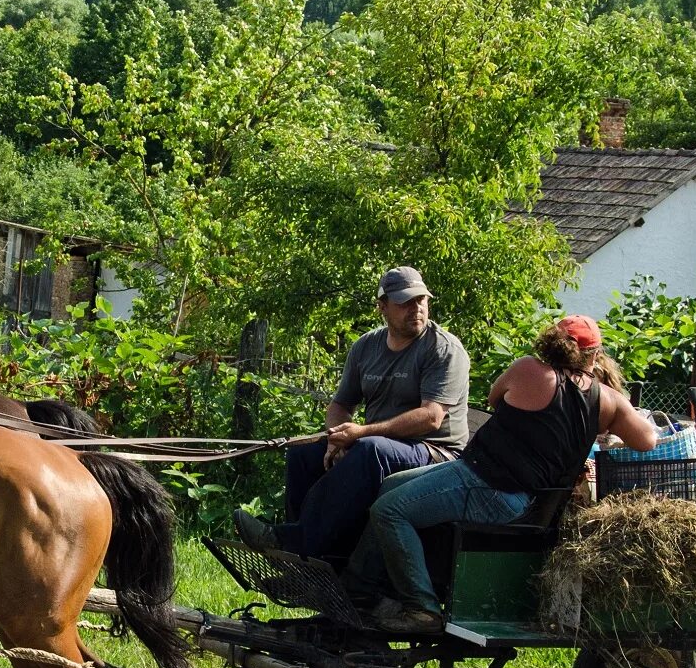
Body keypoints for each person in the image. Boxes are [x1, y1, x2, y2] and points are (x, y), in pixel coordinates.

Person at [348, 314, 659, 633]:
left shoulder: (530, 369)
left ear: (551, 344)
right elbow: (647, 440)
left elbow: (495, 397)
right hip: (524, 500)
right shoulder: (606, 400)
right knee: (391, 486)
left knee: (389, 512)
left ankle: (421, 608)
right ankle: (366, 589)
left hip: (485, 485)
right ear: (594, 354)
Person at [235, 266, 469, 560]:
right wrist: (335, 438)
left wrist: (361, 432)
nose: (416, 309)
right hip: (383, 444)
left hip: (436, 453)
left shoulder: (443, 348)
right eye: (405, 302)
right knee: (303, 452)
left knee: (369, 450)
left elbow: (431, 417)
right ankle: (312, 558)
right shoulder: (366, 346)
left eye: (421, 300)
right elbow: (341, 405)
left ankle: (293, 542)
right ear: (382, 306)